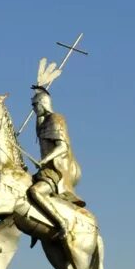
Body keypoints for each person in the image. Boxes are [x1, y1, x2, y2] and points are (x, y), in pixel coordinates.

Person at [27, 85, 84, 239]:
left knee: (35, 192)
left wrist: (45, 159)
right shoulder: (44, 122)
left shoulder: (56, 119)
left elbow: (62, 147)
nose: (33, 109)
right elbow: (39, 129)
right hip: (45, 171)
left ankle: (62, 223)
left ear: (43, 104)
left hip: (55, 171)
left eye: (35, 105)